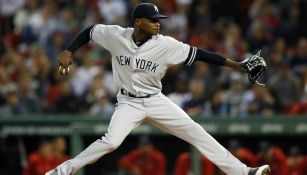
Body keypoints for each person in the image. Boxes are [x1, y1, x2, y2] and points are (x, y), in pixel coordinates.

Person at [46, 3, 269, 175]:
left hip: (155, 100)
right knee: (112, 142)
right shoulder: (115, 35)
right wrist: (69, 50)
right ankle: (62, 171)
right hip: (128, 102)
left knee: (196, 133)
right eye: (153, 20)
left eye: (158, 19)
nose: (158, 23)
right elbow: (89, 31)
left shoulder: (166, 44)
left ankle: (242, 171)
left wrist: (237, 66)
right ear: (139, 22)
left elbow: (200, 54)